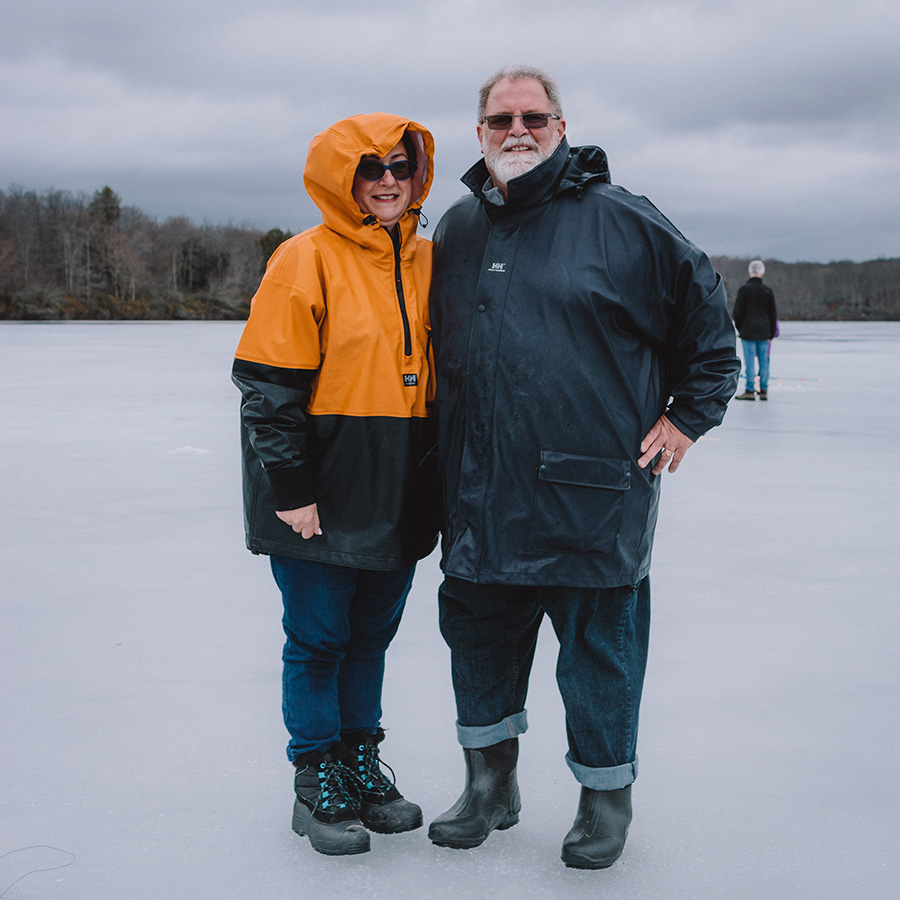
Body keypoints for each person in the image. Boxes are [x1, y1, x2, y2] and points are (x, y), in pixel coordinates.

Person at [427, 66, 740, 869]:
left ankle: (605, 799)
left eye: (535, 116)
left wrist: (686, 417)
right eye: (501, 120)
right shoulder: (458, 229)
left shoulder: (624, 221)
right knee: (478, 641)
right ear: (480, 134)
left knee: (600, 654)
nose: (517, 130)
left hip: (590, 493)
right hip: (481, 487)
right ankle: (490, 787)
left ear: (562, 127)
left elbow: (710, 335)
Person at [231, 113, 439, 856]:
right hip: (318, 493)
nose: (389, 180)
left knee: (370, 641)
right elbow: (266, 388)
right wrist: (292, 490)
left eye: (401, 165)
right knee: (318, 640)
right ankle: (315, 775)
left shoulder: (426, 261)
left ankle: (358, 762)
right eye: (371, 167)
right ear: (341, 176)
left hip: (398, 494)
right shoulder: (303, 259)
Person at [733, 259, 778, 400]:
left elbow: (737, 313)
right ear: (762, 273)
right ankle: (764, 389)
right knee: (764, 361)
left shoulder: (744, 290)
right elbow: (773, 314)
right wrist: (771, 332)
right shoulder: (767, 291)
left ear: (750, 272)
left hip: (748, 331)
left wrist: (740, 328)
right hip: (764, 332)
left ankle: (750, 390)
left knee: (749, 362)